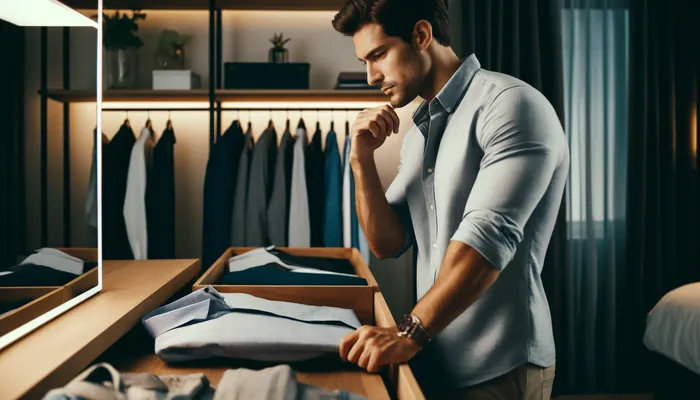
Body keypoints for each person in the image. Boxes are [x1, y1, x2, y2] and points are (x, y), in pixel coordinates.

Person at [331, 1, 569, 399]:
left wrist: (408, 332)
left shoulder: (510, 105)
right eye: (365, 61)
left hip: (500, 366)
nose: (371, 76)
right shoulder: (417, 135)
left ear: (422, 36)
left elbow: (486, 243)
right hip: (433, 359)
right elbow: (387, 243)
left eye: (379, 55)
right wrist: (360, 161)